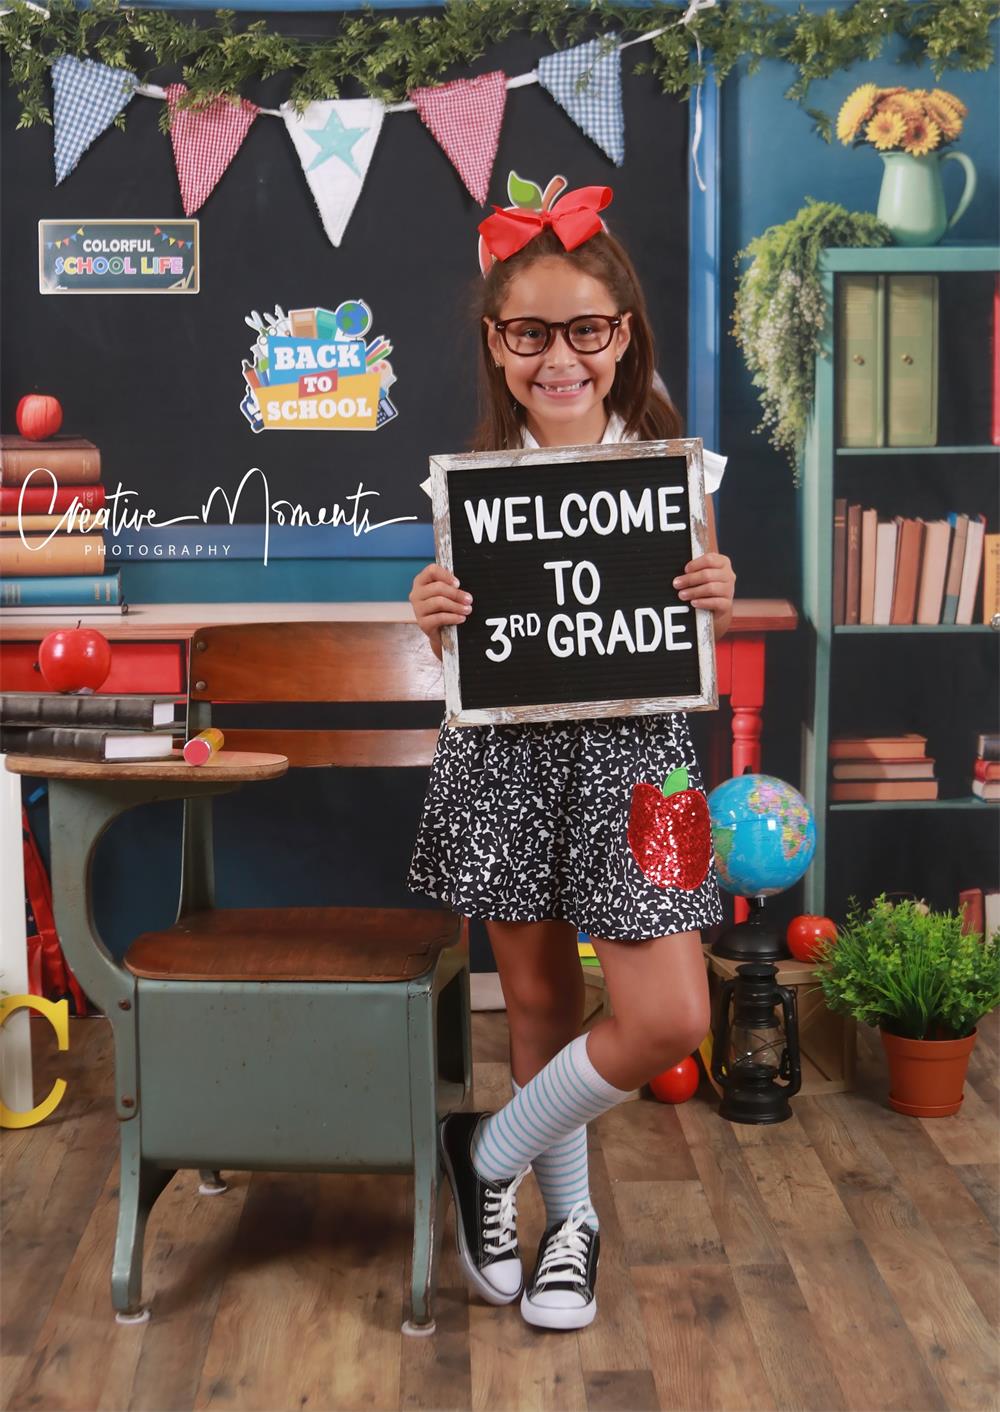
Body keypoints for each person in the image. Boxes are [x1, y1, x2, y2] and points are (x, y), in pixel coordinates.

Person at [407, 185, 736, 1332]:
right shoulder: (464, 489)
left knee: (667, 1012)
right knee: (541, 999)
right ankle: (570, 1228)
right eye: (530, 332)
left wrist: (714, 590)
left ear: (623, 334)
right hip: (503, 756)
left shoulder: (677, 475)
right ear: (497, 347)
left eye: (586, 329)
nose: (561, 357)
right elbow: (461, 622)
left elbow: (688, 612)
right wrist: (431, 605)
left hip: (647, 763)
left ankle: (482, 1151)